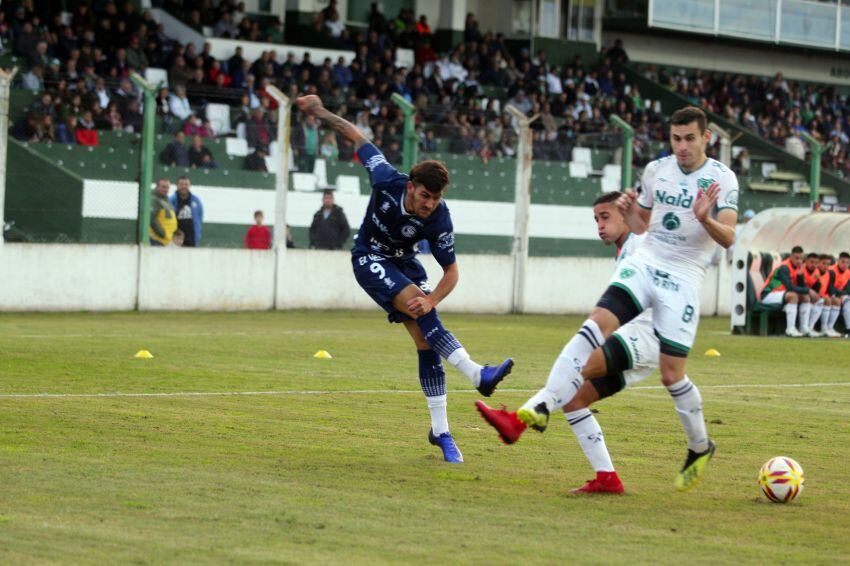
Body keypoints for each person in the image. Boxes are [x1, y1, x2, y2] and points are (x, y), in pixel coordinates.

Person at [484, 107, 737, 491]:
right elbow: (643, 227)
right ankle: (599, 472)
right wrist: (630, 211)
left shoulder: (722, 179)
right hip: (647, 266)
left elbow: (729, 238)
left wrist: (705, 218)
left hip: (679, 284)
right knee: (587, 345)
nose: (681, 146)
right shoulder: (656, 171)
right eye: (675, 138)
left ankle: (699, 446)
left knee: (671, 375)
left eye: (689, 138)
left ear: (706, 138)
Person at [296, 94, 513, 463]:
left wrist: (433, 299)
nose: (430, 204)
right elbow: (357, 136)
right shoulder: (386, 179)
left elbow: (452, 272)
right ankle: (477, 374)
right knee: (420, 308)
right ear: (411, 186)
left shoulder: (439, 218)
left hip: (406, 264)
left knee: (427, 340)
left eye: (436, 198)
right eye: (426, 195)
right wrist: (318, 112)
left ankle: (441, 432)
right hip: (369, 257)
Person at [476, 191, 663, 494]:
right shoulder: (627, 249)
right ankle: (607, 478)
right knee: (575, 400)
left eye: (606, 217)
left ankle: (519, 421)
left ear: (624, 215)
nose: (600, 225)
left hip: (644, 336)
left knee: (581, 363)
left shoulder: (640, 244)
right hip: (638, 342)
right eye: (596, 219)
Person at [760, 245, 812, 337]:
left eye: (801, 258)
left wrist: (800, 276)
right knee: (793, 296)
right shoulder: (784, 267)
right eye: (796, 258)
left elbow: (802, 287)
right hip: (768, 295)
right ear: (791, 256)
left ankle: (804, 328)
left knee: (805, 297)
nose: (799, 261)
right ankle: (790, 329)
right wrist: (809, 290)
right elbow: (790, 287)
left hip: (781, 295)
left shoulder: (798, 268)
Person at [169, 176, 204, 247]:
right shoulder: (171, 200)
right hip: (175, 239)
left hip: (192, 239)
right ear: (177, 186)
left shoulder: (196, 201)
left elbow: (200, 217)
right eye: (181, 184)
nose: (183, 186)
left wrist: (198, 235)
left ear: (189, 186)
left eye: (186, 184)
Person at [822, 251, 850, 336]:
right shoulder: (831, 271)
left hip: (840, 295)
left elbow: (848, 289)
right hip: (828, 294)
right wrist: (840, 294)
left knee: (848, 301)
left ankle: (848, 328)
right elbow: (830, 287)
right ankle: (826, 328)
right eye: (843, 262)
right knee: (839, 300)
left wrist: (842, 294)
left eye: (848, 263)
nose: (845, 264)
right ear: (838, 261)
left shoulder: (848, 273)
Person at [800, 252, 825, 337]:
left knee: (821, 300)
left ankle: (810, 327)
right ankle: (803, 328)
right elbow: (799, 284)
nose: (814, 265)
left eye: (816, 263)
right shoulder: (801, 269)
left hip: (809, 294)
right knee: (807, 299)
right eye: (812, 262)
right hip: (799, 293)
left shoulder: (816, 271)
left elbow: (817, 287)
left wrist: (818, 282)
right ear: (806, 261)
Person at [149, 178, 177, 246]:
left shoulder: (166, 199)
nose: (166, 190)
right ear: (157, 187)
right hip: (158, 240)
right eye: (163, 187)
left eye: (167, 187)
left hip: (166, 240)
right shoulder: (154, 199)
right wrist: (163, 234)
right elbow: (152, 218)